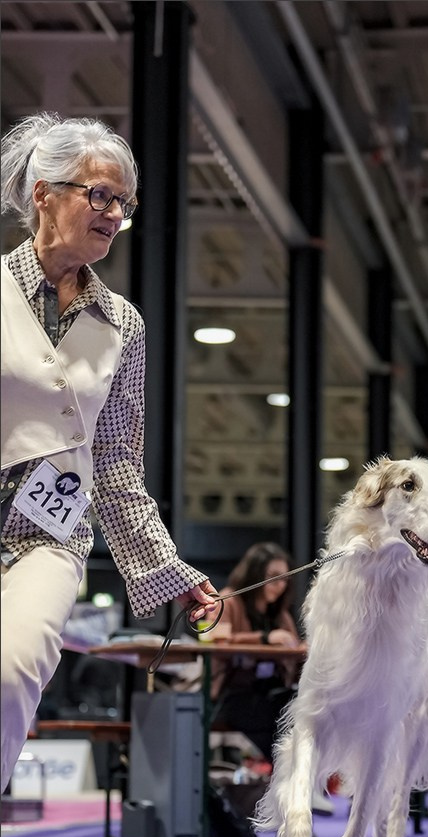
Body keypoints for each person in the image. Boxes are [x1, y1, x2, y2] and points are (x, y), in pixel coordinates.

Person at [0, 112, 220, 796]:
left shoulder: (124, 324)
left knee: (11, 671)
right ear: (44, 194)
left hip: (49, 536)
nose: (114, 213)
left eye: (123, 201)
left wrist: (168, 570)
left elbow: (118, 462)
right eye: (99, 195)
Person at [210, 542, 304, 764]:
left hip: (271, 691)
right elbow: (216, 640)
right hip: (233, 694)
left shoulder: (280, 615)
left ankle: (295, 775)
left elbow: (295, 650)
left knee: (301, 706)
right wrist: (265, 639)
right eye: (273, 576)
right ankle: (285, 775)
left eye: (285, 578)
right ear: (256, 574)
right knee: (280, 716)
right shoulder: (228, 600)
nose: (280, 585)